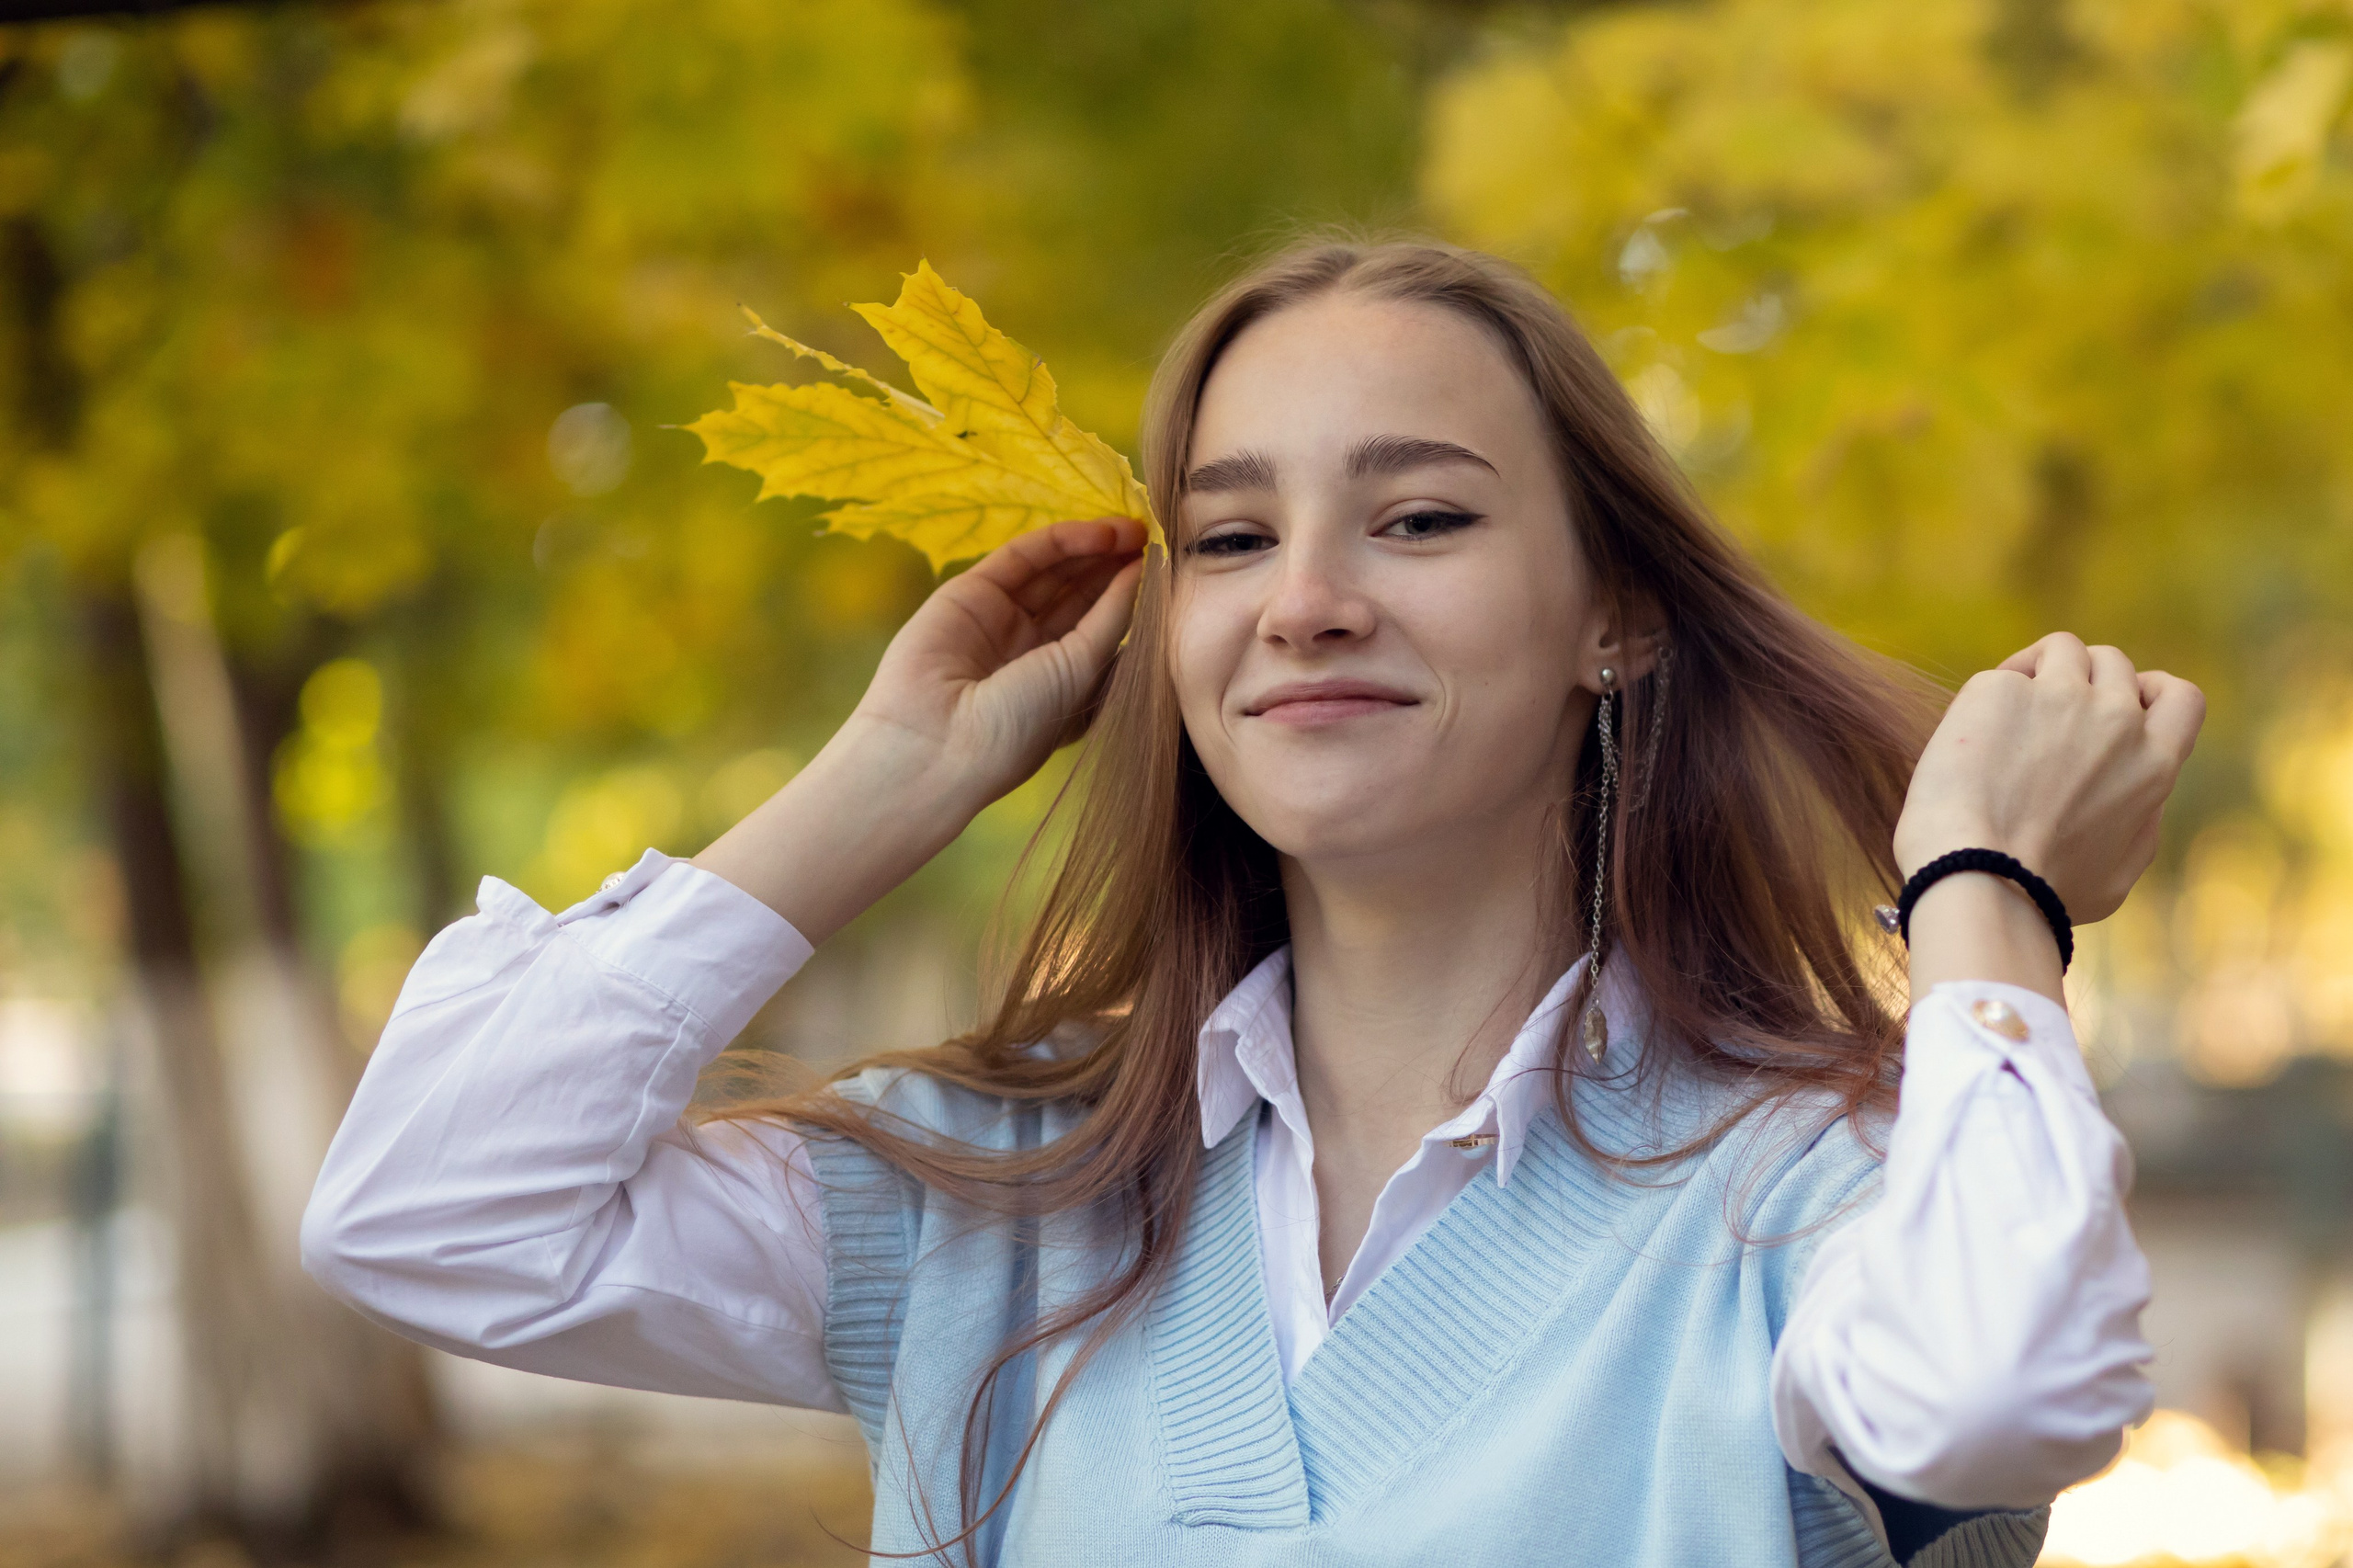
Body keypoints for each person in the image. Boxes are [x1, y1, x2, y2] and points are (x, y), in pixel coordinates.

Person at [302, 240, 2201, 1567]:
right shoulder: (996, 1193)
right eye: (1226, 536)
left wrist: (1975, 886)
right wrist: (881, 786)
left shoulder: (1805, 1192)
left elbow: (2003, 1391)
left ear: (1612, 618)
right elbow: (430, 1212)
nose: (1303, 597)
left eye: (1420, 518)